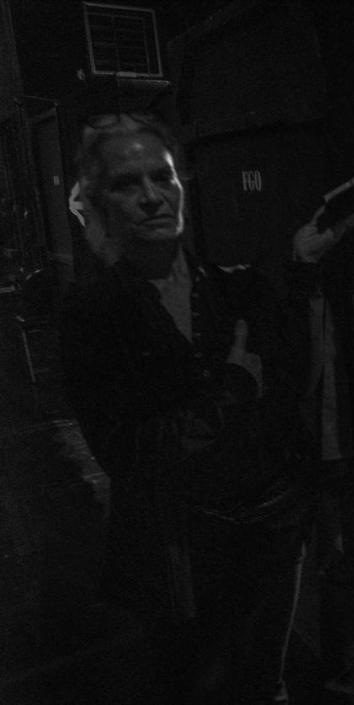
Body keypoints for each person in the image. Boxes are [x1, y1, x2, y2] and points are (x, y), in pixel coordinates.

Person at [58, 113, 312, 704]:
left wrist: (303, 269)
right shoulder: (93, 311)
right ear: (98, 203)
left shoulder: (222, 285)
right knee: (199, 688)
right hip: (182, 553)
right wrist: (230, 389)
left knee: (266, 683)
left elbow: (289, 369)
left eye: (162, 176)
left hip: (272, 528)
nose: (151, 196)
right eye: (127, 183)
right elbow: (130, 454)